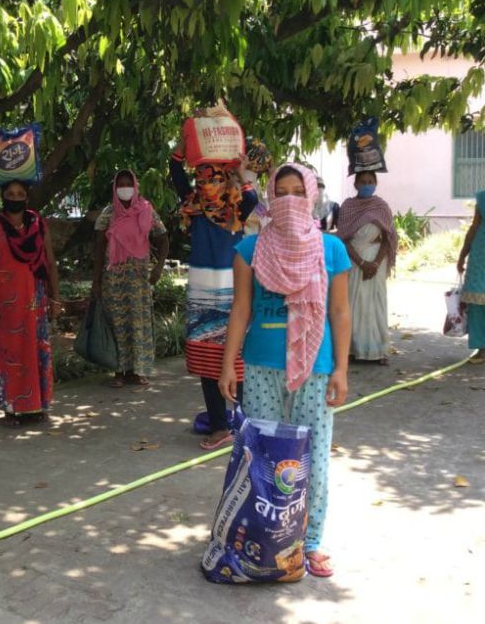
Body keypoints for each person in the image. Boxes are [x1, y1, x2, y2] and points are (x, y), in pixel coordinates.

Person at [218, 163, 351, 579]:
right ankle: (269, 539)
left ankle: (309, 543)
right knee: (263, 459)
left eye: (299, 191)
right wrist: (228, 364)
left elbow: (341, 312)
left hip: (315, 366)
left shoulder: (331, 250)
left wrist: (342, 370)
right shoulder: (250, 250)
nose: (291, 200)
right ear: (271, 198)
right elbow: (240, 310)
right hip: (261, 365)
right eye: (283, 192)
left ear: (310, 196)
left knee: (313, 458)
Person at [170, 143, 259, 450]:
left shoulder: (237, 207)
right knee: (207, 359)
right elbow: (175, 173)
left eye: (215, 179)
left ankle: (246, 422)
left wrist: (241, 171)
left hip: (234, 294)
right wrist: (181, 150)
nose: (208, 185)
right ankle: (220, 426)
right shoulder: (192, 204)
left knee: (237, 359)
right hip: (200, 293)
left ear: (225, 181)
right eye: (203, 179)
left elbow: (252, 197)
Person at [0, 180, 61, 427]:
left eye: (20, 194)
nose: (15, 197)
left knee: (37, 353)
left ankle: (37, 405)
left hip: (36, 302)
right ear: (3, 196)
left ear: (27, 197)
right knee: (10, 356)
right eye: (10, 193)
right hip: (6, 307)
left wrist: (55, 298)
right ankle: (11, 409)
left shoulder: (38, 225)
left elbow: (50, 262)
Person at [92, 170, 170, 386]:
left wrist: (158, 268)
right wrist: (96, 281)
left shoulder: (146, 211)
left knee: (138, 323)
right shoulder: (108, 214)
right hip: (113, 281)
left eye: (129, 184)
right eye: (120, 184)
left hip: (138, 280)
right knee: (117, 324)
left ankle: (138, 370)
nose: (125, 188)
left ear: (135, 187)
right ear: (115, 189)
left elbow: (163, 239)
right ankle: (119, 371)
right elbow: (98, 250)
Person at [337, 171, 398, 364]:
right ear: (355, 184)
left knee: (376, 303)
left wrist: (375, 263)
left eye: (371, 182)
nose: (367, 185)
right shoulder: (347, 207)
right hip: (354, 262)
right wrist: (362, 263)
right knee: (353, 302)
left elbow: (389, 239)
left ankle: (378, 351)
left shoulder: (382, 207)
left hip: (377, 263)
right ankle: (351, 350)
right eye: (363, 182)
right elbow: (343, 240)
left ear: (376, 183)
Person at [457, 188, 485, 363]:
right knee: (476, 304)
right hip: (480, 256)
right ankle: (481, 348)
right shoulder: (483, 198)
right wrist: (463, 255)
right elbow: (475, 226)